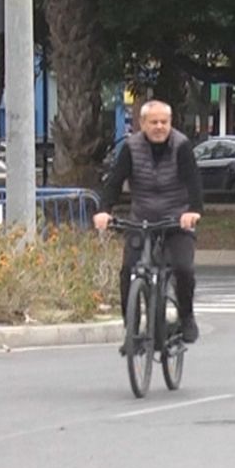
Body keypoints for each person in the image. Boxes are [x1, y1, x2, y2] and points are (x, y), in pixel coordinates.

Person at [93, 100, 204, 344]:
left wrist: (193, 211)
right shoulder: (131, 147)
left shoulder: (181, 145)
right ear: (142, 124)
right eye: (153, 122)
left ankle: (186, 317)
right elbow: (114, 181)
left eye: (164, 122)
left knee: (183, 268)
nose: (159, 127)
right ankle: (130, 330)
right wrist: (104, 210)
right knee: (128, 272)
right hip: (141, 219)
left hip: (176, 220)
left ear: (170, 123)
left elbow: (194, 182)